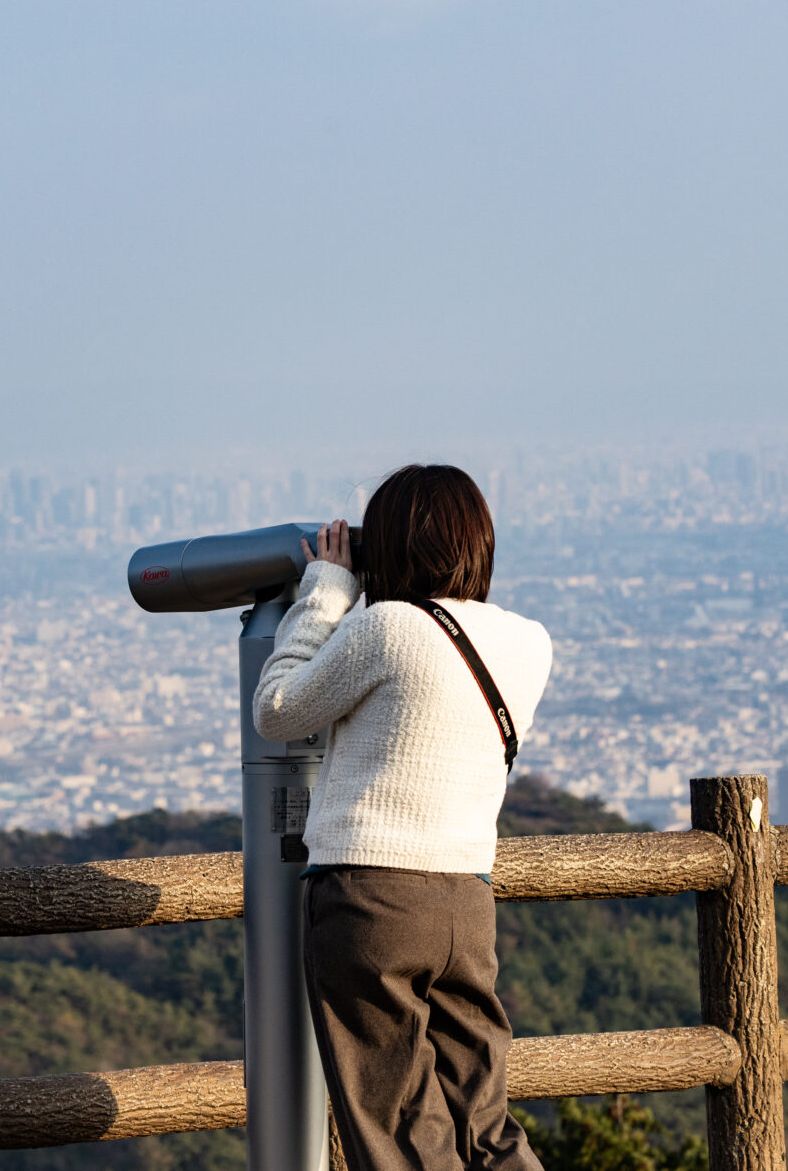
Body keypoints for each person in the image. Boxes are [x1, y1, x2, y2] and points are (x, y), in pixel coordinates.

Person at [253, 464, 553, 1171]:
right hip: (466, 903)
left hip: (370, 900)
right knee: (485, 1124)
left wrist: (328, 590)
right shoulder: (529, 642)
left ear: (385, 547)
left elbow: (277, 708)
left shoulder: (386, 627)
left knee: (402, 1133)